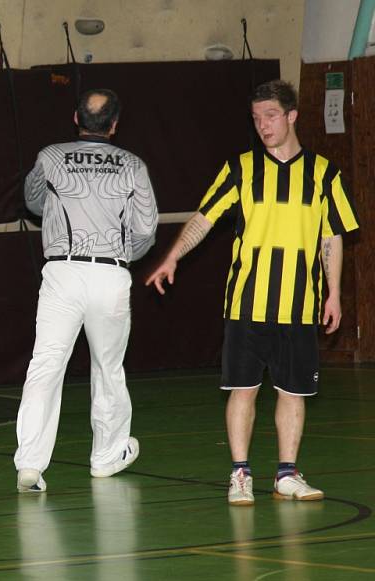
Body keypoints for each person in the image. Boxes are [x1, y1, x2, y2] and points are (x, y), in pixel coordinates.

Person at [146, 80, 359, 506]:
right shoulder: (241, 169)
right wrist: (173, 257)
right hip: (247, 303)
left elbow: (331, 237)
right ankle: (240, 473)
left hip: (300, 307)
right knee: (243, 389)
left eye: (271, 116)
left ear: (292, 116)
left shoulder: (323, 174)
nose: (262, 125)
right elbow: (204, 219)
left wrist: (333, 293)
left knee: (292, 392)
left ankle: (286, 474)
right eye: (256, 118)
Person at [14, 89, 158, 493]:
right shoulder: (133, 165)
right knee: (108, 368)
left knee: (45, 365)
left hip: (62, 271)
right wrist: (117, 258)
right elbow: (147, 228)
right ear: (114, 124)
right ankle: (106, 457)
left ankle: (29, 465)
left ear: (76, 119)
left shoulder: (50, 156)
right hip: (111, 273)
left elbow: (33, 202)